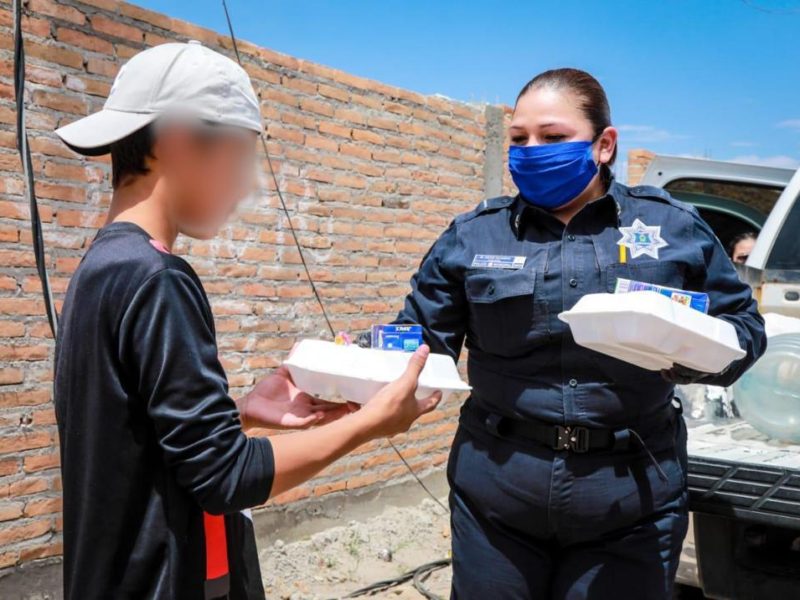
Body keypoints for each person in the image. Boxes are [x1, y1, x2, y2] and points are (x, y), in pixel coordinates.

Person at [52, 42, 441, 600]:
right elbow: (225, 476)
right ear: (176, 141)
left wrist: (239, 412)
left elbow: (133, 438)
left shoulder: (102, 267)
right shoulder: (159, 279)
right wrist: (370, 423)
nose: (245, 186)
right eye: (240, 157)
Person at [395, 68, 767, 599]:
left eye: (552, 136)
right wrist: (360, 364)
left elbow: (744, 327)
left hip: (632, 497)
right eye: (519, 138)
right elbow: (418, 338)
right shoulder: (474, 236)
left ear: (604, 145)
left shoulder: (673, 228)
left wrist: (691, 352)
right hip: (497, 495)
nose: (531, 151)